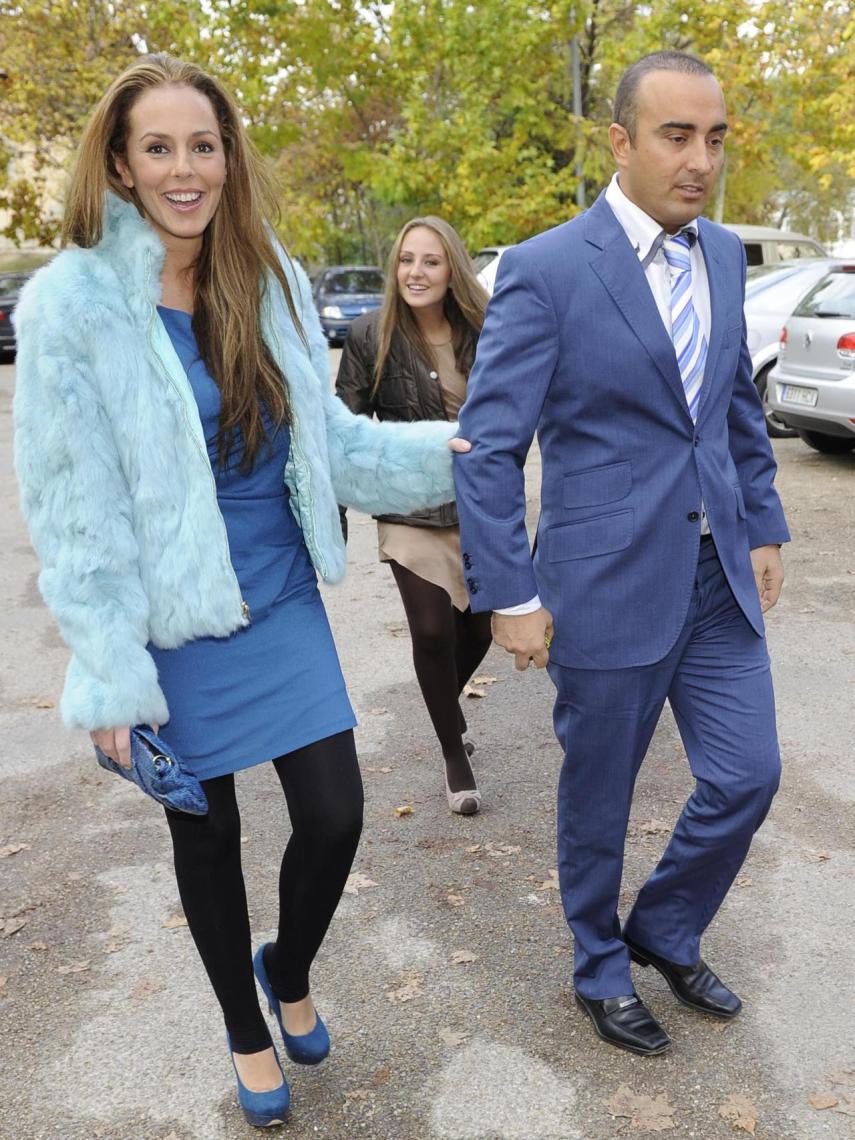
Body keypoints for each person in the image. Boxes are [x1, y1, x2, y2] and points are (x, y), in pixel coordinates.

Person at [13, 54, 469, 1128]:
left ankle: (289, 960)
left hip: (278, 594)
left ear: (229, 157)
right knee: (205, 836)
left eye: (203, 145)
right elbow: (74, 514)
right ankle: (244, 1025)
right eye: (158, 147)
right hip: (168, 620)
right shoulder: (71, 308)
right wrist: (111, 676)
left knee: (336, 815)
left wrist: (463, 453)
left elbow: (336, 447)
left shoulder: (266, 274)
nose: (186, 168)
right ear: (120, 167)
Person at [453, 51, 789, 1057]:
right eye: (677, 136)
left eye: (715, 137)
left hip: (715, 574)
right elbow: (489, 443)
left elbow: (731, 406)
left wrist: (764, 518)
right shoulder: (549, 269)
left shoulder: (726, 256)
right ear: (620, 141)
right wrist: (508, 589)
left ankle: (666, 925)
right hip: (603, 586)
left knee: (747, 776)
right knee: (599, 795)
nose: (700, 159)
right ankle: (599, 965)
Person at [336, 218, 492, 815]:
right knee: (431, 630)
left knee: (478, 629)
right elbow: (343, 430)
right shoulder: (369, 336)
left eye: (430, 261)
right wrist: (336, 509)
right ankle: (455, 754)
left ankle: (443, 708)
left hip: (479, 505)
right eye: (406, 261)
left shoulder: (487, 329)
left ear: (452, 268)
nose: (416, 273)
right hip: (407, 505)